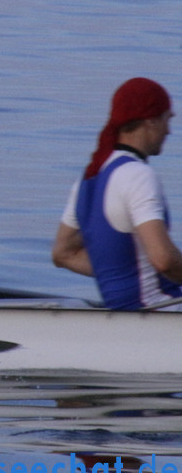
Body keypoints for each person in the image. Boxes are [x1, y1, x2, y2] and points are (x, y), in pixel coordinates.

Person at [52, 77, 182, 310]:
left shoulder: (88, 178)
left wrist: (122, 272)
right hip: (162, 312)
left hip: (125, 315)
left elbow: (63, 254)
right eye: (166, 119)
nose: (169, 131)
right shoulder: (138, 176)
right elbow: (164, 260)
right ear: (150, 121)